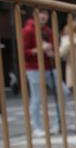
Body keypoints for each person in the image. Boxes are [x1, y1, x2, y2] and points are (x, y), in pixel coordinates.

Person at [22, 8, 64, 136]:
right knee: (37, 97)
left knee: (63, 92)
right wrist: (39, 49)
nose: (43, 16)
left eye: (45, 14)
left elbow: (53, 49)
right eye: (41, 13)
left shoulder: (48, 31)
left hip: (49, 67)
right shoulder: (28, 30)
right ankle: (37, 128)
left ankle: (58, 125)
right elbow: (24, 53)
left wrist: (52, 52)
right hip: (34, 68)